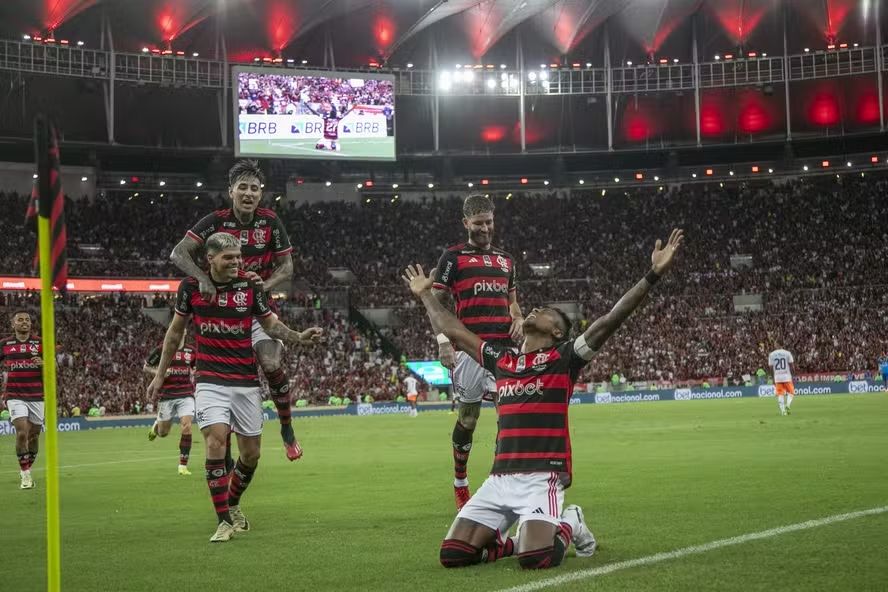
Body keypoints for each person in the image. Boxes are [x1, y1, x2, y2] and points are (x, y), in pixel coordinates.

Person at [403, 228, 684, 571]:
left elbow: (611, 319)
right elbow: (454, 328)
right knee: (454, 555)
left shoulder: (565, 359)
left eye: (547, 311)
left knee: (536, 559)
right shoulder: (502, 360)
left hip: (541, 478)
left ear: (556, 332)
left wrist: (652, 274)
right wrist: (425, 296)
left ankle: (571, 522)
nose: (535, 309)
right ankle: (511, 543)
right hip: (499, 478)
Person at [149, 232, 323, 543]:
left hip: (245, 382)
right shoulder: (191, 288)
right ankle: (223, 520)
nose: (236, 262)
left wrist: (298, 336)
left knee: (251, 455)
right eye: (229, 257)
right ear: (210, 259)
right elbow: (175, 334)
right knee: (216, 441)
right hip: (210, 380)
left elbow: (269, 325)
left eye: (239, 256)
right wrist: (160, 375)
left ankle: (233, 501)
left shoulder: (250, 286)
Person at [170, 159, 302, 461]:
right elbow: (178, 253)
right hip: (219, 312)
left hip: (255, 309)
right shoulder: (215, 220)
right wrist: (203, 278)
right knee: (226, 378)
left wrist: (264, 287)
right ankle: (224, 443)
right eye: (242, 187)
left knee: (270, 362)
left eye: (254, 188)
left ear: (261, 193)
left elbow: (287, 267)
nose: (249, 193)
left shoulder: (270, 222)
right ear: (231, 191)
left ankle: (286, 428)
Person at [432, 194, 524, 510]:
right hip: (469, 347)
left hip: (504, 349)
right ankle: (460, 482)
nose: (485, 228)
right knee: (468, 419)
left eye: (489, 222)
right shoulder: (452, 257)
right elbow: (437, 304)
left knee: (508, 419)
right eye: (479, 223)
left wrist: (519, 317)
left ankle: (503, 483)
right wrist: (443, 341)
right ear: (466, 223)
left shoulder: (506, 260)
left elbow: (513, 302)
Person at [1, 310, 43, 490]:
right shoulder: (5, 344)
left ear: (31, 324)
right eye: (20, 320)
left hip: (37, 395)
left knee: (34, 436)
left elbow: (54, 367)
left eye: (27, 320)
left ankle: (26, 467)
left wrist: (44, 364)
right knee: (22, 433)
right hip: (14, 395)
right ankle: (26, 476)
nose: (24, 322)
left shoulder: (40, 343)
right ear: (13, 324)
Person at [144, 332, 196, 475]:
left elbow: (196, 368)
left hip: (186, 394)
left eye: (184, 330)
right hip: (167, 395)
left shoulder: (191, 351)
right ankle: (156, 427)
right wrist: (159, 373)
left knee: (187, 426)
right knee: (163, 433)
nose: (181, 333)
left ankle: (182, 465)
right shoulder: (163, 349)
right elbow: (146, 367)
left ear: (185, 333)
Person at [768, 346, 795, 416]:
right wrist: (794, 375)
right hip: (787, 376)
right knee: (791, 392)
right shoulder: (787, 353)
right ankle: (788, 405)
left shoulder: (771, 354)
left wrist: (773, 377)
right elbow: (792, 365)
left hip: (777, 377)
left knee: (780, 394)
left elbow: (770, 367)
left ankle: (783, 411)